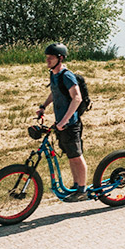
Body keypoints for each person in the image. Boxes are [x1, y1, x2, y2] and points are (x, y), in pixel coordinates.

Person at [36, 42, 87, 201]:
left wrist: (64, 121)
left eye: (51, 58)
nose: (48, 60)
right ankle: (76, 185)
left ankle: (82, 190)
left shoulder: (67, 75)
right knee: (71, 156)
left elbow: (77, 98)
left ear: (60, 58)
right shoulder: (54, 74)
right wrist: (43, 106)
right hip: (61, 124)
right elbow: (54, 92)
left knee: (77, 156)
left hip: (70, 124)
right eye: (47, 58)